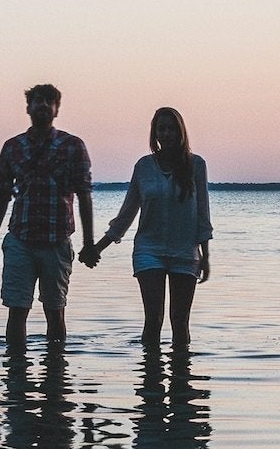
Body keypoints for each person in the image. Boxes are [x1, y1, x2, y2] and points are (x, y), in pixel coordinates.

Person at [84, 107, 212, 348]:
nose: (167, 133)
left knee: (180, 321)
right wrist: (97, 248)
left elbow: (202, 214)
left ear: (181, 132)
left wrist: (205, 256)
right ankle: (150, 369)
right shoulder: (144, 166)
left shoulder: (196, 165)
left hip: (185, 252)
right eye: (161, 128)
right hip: (149, 251)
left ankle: (181, 369)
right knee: (153, 319)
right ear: (155, 133)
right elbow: (126, 214)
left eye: (171, 128)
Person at [0, 84, 94, 346]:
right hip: (20, 240)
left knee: (55, 311)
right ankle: (16, 367)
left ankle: (56, 366)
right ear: (28, 108)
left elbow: (84, 195)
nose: (43, 105)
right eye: (37, 100)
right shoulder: (13, 147)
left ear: (57, 109)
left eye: (49, 101)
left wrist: (89, 243)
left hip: (56, 241)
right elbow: (1, 195)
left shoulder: (72, 146)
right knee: (17, 310)